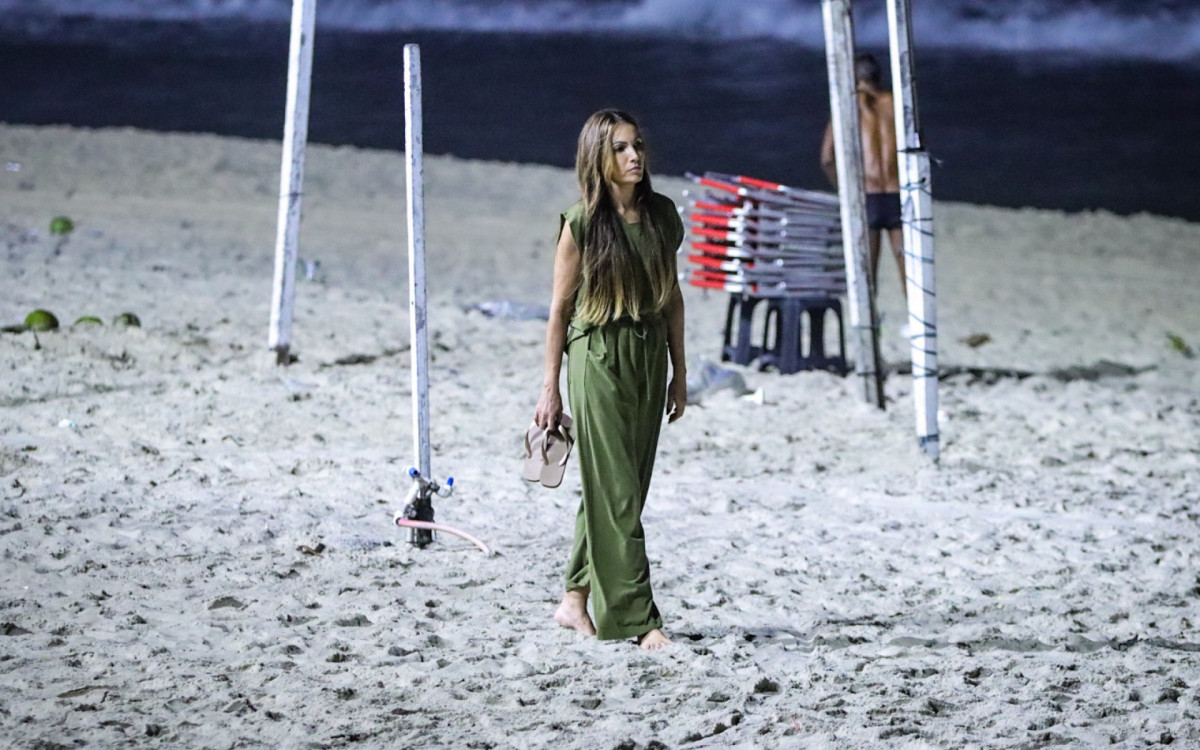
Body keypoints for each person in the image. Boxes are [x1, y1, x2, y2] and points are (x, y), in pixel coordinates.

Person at [533, 109, 687, 651]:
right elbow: (557, 311)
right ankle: (638, 619)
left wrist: (681, 373)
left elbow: (671, 297)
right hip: (596, 354)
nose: (635, 156)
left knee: (622, 489)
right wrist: (550, 389)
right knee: (617, 490)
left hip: (649, 356)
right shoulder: (581, 224)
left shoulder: (663, 216)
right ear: (600, 156)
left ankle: (573, 600)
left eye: (638, 145)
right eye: (621, 148)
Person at [820, 52, 907, 301]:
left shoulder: (847, 107)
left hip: (866, 196)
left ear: (854, 78)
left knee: (867, 276)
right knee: (909, 272)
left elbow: (827, 157)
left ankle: (871, 329)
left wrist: (843, 189)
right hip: (897, 193)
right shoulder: (897, 103)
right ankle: (916, 328)